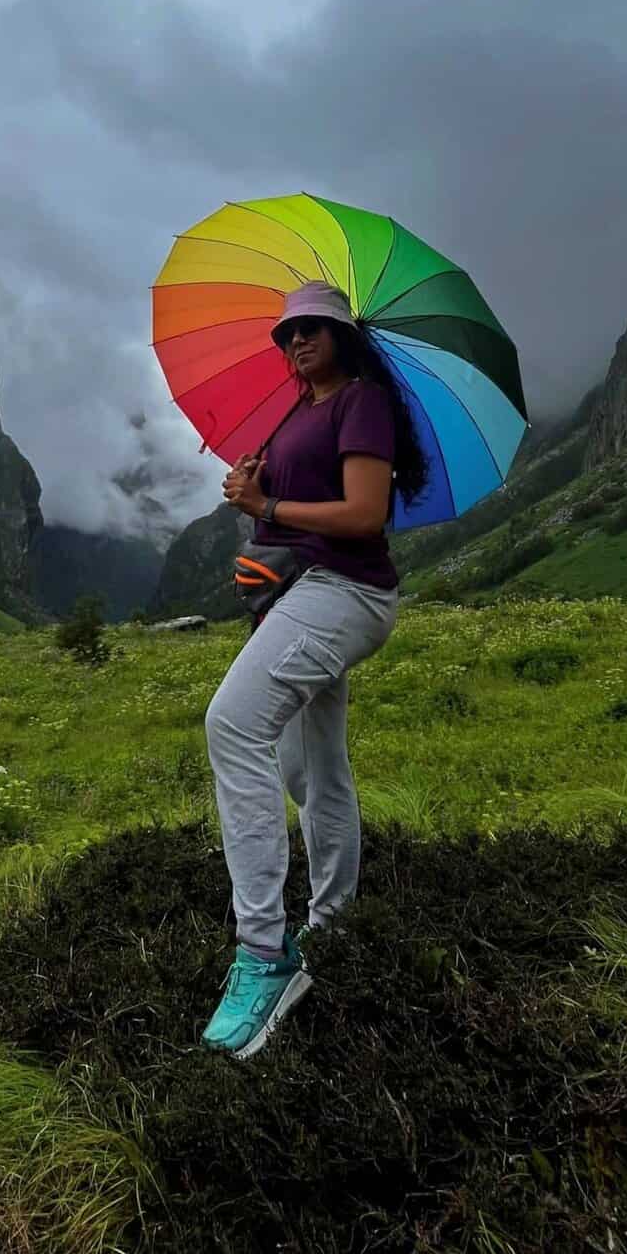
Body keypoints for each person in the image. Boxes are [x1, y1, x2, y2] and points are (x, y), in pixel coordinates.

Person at [200, 282, 430, 1061]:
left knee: (231, 724)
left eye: (312, 328)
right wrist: (252, 495)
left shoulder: (359, 400)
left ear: (343, 334)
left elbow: (365, 515)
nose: (296, 340)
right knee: (310, 768)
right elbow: (286, 514)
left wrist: (273, 504)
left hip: (348, 592)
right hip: (304, 591)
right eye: (286, 332)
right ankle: (335, 922)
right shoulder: (296, 412)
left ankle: (265, 953)